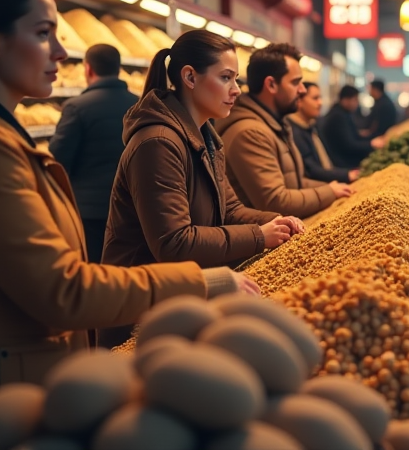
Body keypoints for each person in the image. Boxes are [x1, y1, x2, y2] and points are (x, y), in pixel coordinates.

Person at [0, 0, 252, 450]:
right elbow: (62, 288)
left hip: (9, 389)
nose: (62, 53)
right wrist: (204, 280)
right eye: (43, 35)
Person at [100, 30, 301, 348]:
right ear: (190, 77)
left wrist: (276, 220)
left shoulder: (205, 135)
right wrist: (260, 236)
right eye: (226, 78)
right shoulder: (159, 143)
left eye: (236, 79)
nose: (236, 90)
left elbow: (230, 210)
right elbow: (174, 242)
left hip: (181, 300)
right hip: (141, 319)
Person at [217, 43, 352, 218]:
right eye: (296, 82)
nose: (302, 90)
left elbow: (293, 184)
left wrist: (333, 188)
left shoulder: (274, 125)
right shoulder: (250, 133)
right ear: (271, 85)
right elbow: (275, 202)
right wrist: (329, 192)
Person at [48, 44, 138, 264]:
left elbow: (57, 160)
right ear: (119, 68)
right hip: (133, 208)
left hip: (90, 212)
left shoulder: (77, 107)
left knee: (95, 270)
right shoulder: (140, 105)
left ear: (88, 70)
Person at [289, 82, 360, 184]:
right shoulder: (294, 131)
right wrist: (346, 174)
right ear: (299, 101)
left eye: (320, 98)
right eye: (315, 98)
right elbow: (311, 169)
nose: (320, 103)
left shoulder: (312, 125)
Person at [319, 85, 374, 168]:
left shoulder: (343, 113)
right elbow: (349, 145)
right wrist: (371, 144)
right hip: (342, 163)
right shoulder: (338, 116)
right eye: (355, 100)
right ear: (345, 100)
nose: (357, 103)